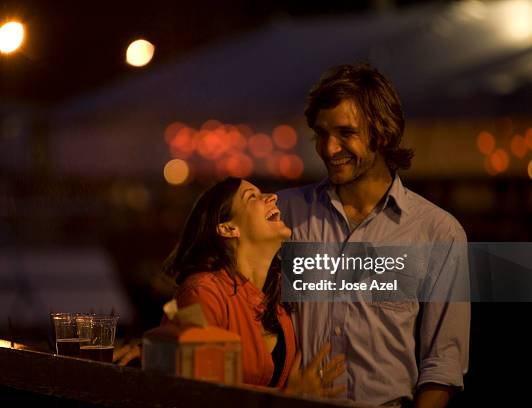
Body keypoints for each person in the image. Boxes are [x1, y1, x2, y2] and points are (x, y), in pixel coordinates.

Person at [277, 63, 470, 407]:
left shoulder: (439, 232)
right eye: (321, 133)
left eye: (345, 133)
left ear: (382, 134)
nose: (328, 148)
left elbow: (443, 364)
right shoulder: (284, 215)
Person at [144, 177, 345, 395]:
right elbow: (197, 388)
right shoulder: (203, 291)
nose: (272, 197)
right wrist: (289, 398)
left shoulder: (277, 295)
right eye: (252, 197)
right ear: (228, 228)